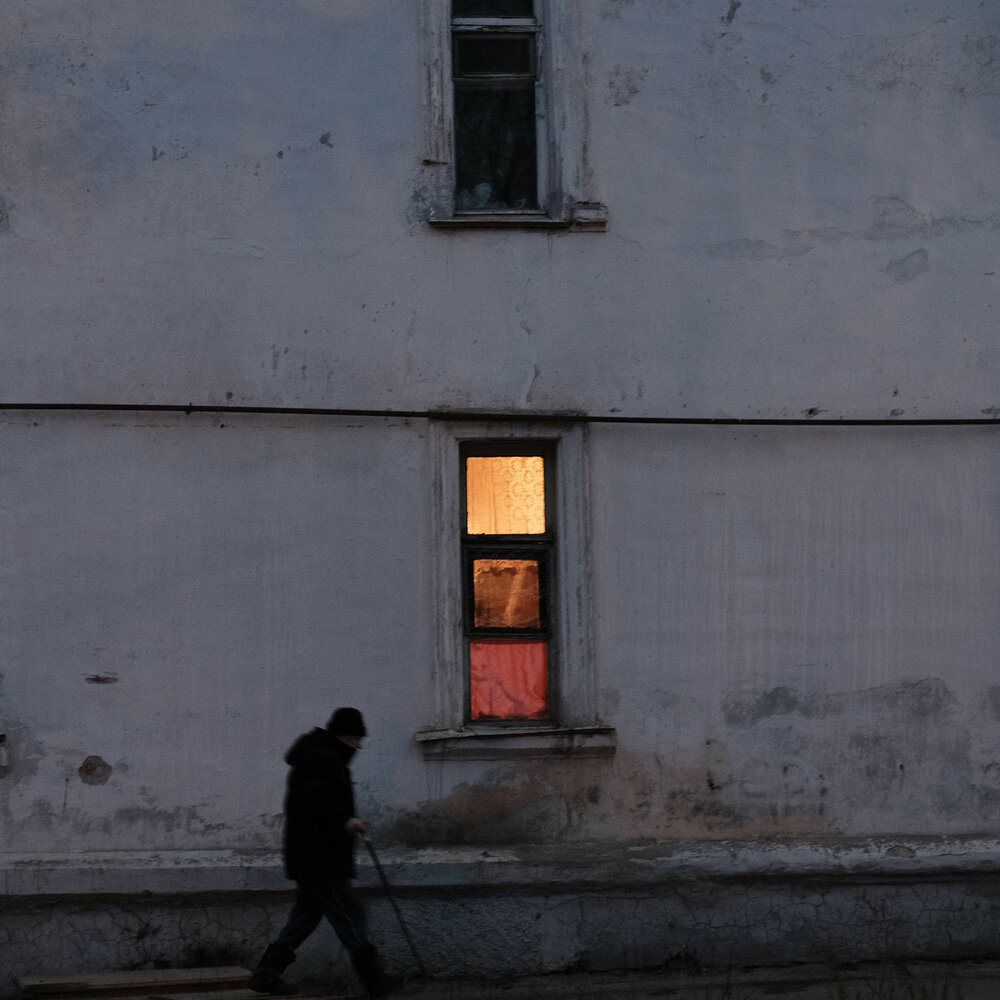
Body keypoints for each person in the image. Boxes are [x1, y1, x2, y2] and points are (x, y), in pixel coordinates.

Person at [249, 707, 396, 998]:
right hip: (321, 858)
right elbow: (312, 801)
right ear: (344, 736)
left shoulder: (318, 756)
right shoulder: (322, 758)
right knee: (350, 915)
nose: (359, 746)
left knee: (304, 918)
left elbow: (313, 800)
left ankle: (266, 974)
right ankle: (376, 984)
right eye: (356, 739)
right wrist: (345, 820)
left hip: (312, 856)